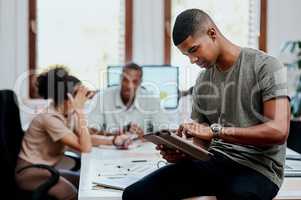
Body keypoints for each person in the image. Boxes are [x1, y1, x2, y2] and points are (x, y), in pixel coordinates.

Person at [122, 9, 290, 200]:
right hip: (215, 162)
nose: (192, 60)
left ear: (212, 34)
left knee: (234, 195)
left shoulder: (266, 66)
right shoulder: (202, 81)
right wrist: (182, 154)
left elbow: (278, 131)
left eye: (193, 50)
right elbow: (202, 147)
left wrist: (216, 131)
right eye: (186, 55)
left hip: (258, 169)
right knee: (134, 195)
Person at [15, 67, 93, 200]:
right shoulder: (49, 118)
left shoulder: (67, 114)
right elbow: (85, 147)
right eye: (78, 94)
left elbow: (86, 138)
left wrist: (114, 140)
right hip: (29, 173)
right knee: (71, 193)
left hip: (47, 170)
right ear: (67, 97)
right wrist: (80, 111)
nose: (82, 98)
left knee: (86, 184)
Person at [88, 62, 169, 144]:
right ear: (120, 79)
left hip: (140, 152)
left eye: (134, 81)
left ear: (140, 82)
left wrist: (144, 136)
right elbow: (90, 132)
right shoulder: (102, 98)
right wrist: (118, 134)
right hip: (108, 151)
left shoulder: (151, 100)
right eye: (125, 80)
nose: (129, 86)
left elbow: (164, 132)